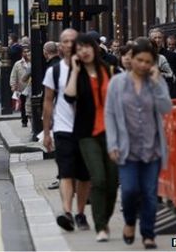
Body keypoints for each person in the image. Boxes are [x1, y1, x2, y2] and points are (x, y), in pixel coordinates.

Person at [105, 37, 172, 250]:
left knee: (150, 194)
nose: (143, 65)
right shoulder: (117, 82)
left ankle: (148, 234)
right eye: (140, 60)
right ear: (131, 59)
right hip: (127, 149)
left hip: (151, 149)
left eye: (148, 61)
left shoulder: (155, 82)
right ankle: (130, 222)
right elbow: (110, 114)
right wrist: (112, 144)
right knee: (130, 191)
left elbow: (165, 109)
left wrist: (157, 83)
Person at [63, 34, 118, 242]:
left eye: (87, 47)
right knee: (99, 178)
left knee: (112, 182)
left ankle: (104, 218)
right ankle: (101, 226)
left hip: (111, 133)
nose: (84, 51)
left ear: (95, 48)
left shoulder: (109, 70)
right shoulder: (76, 73)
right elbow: (69, 97)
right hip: (87, 134)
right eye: (80, 48)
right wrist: (76, 71)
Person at [42, 28, 91, 232]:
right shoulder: (54, 71)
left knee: (84, 176)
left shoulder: (91, 68)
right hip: (63, 129)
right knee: (66, 173)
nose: (69, 44)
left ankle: (80, 213)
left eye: (73, 41)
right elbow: (47, 102)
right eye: (65, 41)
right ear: (60, 46)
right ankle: (67, 212)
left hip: (87, 129)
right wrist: (46, 132)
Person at [10, 47, 31, 128]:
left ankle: (31, 120)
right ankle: (24, 121)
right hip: (22, 88)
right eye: (24, 52)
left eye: (27, 51)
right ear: (22, 53)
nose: (26, 53)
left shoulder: (33, 62)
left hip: (31, 87)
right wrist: (13, 85)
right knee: (23, 105)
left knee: (30, 105)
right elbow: (13, 75)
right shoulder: (18, 64)